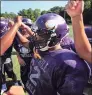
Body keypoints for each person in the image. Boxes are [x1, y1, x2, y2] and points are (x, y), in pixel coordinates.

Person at [15, 13, 89, 95]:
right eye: (37, 33)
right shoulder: (39, 49)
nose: (36, 37)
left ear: (56, 36)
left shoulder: (69, 64)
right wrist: (15, 28)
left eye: (41, 34)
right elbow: (24, 42)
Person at [14, 18, 34, 85]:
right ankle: (25, 85)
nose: (24, 29)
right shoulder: (17, 37)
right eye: (21, 27)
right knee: (24, 75)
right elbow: (17, 49)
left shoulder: (33, 37)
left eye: (26, 27)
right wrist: (19, 58)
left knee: (34, 76)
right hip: (23, 60)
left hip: (33, 61)